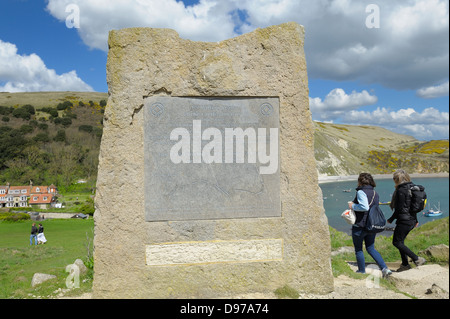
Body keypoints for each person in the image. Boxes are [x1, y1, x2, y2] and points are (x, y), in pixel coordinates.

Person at [348, 173, 392, 278]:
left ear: (360, 182)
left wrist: (352, 205)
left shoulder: (360, 192)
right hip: (372, 225)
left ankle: (361, 270)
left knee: (359, 249)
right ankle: (385, 268)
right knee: (371, 248)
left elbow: (364, 207)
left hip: (360, 225)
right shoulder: (375, 193)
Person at [387, 169, 426, 272]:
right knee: (401, 242)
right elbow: (412, 207)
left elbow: (400, 209)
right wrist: (416, 220)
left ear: (396, 179)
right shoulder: (413, 188)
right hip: (411, 220)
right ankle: (405, 265)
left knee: (396, 242)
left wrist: (391, 219)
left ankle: (417, 259)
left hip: (404, 221)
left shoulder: (401, 190)